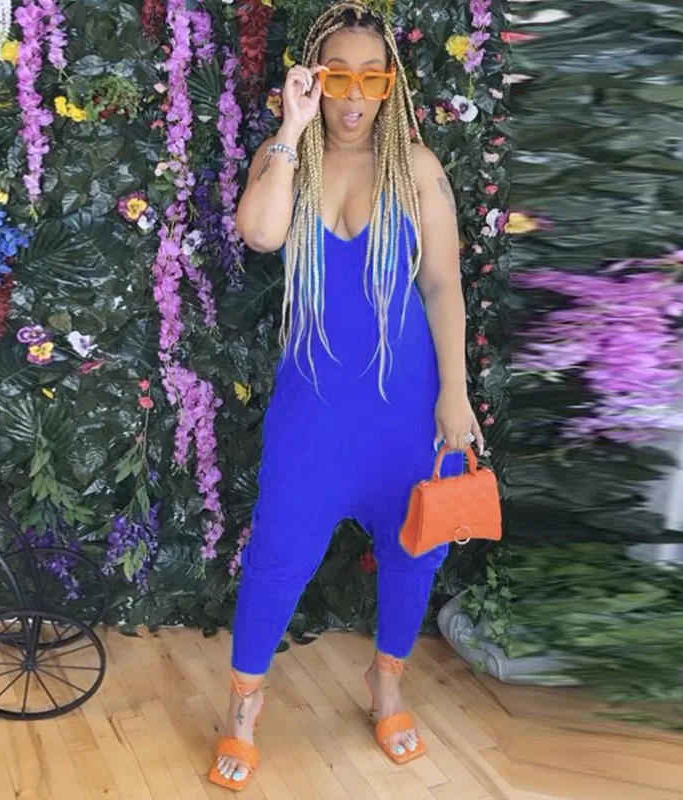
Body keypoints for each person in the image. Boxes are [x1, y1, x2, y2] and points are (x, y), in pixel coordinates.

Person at [209, 1, 485, 791]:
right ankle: (244, 709)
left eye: (372, 78)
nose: (355, 96)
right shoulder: (289, 160)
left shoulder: (418, 168)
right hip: (314, 409)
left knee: (413, 553)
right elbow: (260, 234)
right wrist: (291, 127)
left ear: (391, 83)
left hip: (406, 408)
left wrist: (456, 395)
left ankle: (385, 686)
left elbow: (443, 286)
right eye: (337, 77)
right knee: (277, 555)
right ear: (314, 80)